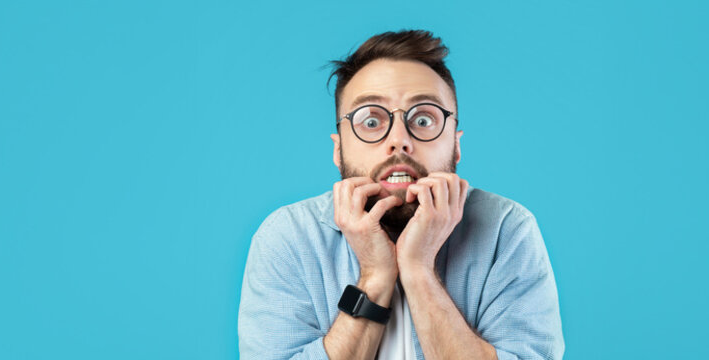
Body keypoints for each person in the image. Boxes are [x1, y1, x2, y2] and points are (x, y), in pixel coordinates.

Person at [238, 29, 564, 360]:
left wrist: (419, 271)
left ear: (456, 143)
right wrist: (375, 278)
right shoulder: (289, 238)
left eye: (423, 119)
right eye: (370, 121)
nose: (399, 140)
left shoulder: (506, 230)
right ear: (338, 150)